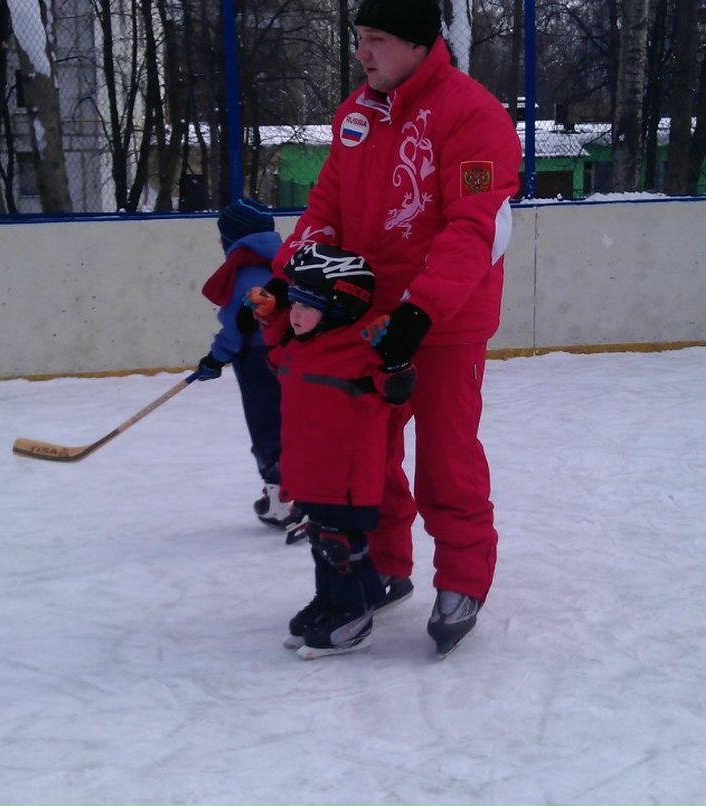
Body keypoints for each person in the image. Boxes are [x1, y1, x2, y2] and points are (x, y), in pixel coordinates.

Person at [266, 0, 521, 656]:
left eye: (376, 39)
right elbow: (326, 207)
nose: (363, 52)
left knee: (446, 457)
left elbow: (473, 228)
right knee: (364, 455)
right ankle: (384, 564)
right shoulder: (356, 115)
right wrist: (290, 278)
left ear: (417, 42)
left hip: (443, 322)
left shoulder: (473, 116)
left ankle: (463, 577)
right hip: (364, 320)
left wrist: (419, 312)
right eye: (359, 39)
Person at [265, 243, 416, 659]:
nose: (294, 313)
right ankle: (332, 602)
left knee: (339, 544)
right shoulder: (301, 345)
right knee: (321, 538)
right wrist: (265, 318)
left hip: (347, 475)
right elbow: (276, 361)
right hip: (312, 471)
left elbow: (396, 392)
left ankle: (353, 616)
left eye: (307, 305)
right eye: (293, 302)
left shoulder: (361, 351)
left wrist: (395, 362)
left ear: (339, 308)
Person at [189, 198, 300, 532]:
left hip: (256, 360)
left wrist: (214, 358)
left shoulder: (245, 271)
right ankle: (302, 495)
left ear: (233, 238)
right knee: (292, 424)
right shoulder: (279, 262)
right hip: (289, 358)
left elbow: (239, 327)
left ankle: (281, 501)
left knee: (266, 428)